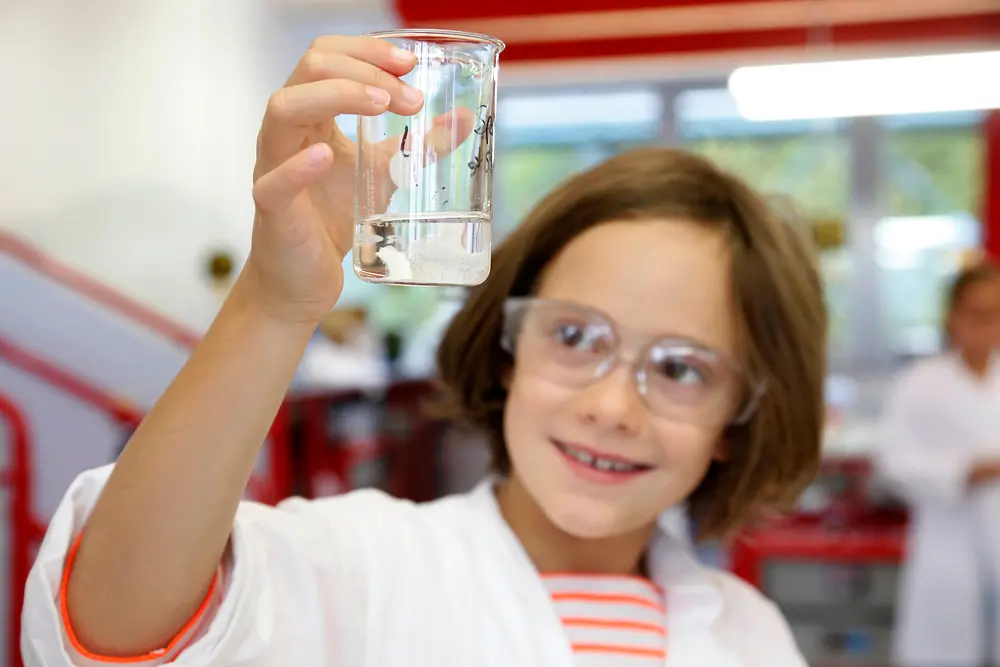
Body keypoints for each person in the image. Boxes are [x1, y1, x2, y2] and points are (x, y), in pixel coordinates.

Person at [21, 35, 827, 667]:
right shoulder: (365, 566)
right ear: (508, 350)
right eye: (575, 336)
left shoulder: (748, 632)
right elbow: (114, 629)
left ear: (740, 415)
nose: (611, 407)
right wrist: (273, 302)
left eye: (682, 368)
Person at [876, 263, 1000, 667]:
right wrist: (965, 471)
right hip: (947, 542)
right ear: (952, 316)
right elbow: (893, 463)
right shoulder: (920, 383)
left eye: (996, 313)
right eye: (977, 314)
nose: (987, 325)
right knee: (946, 647)